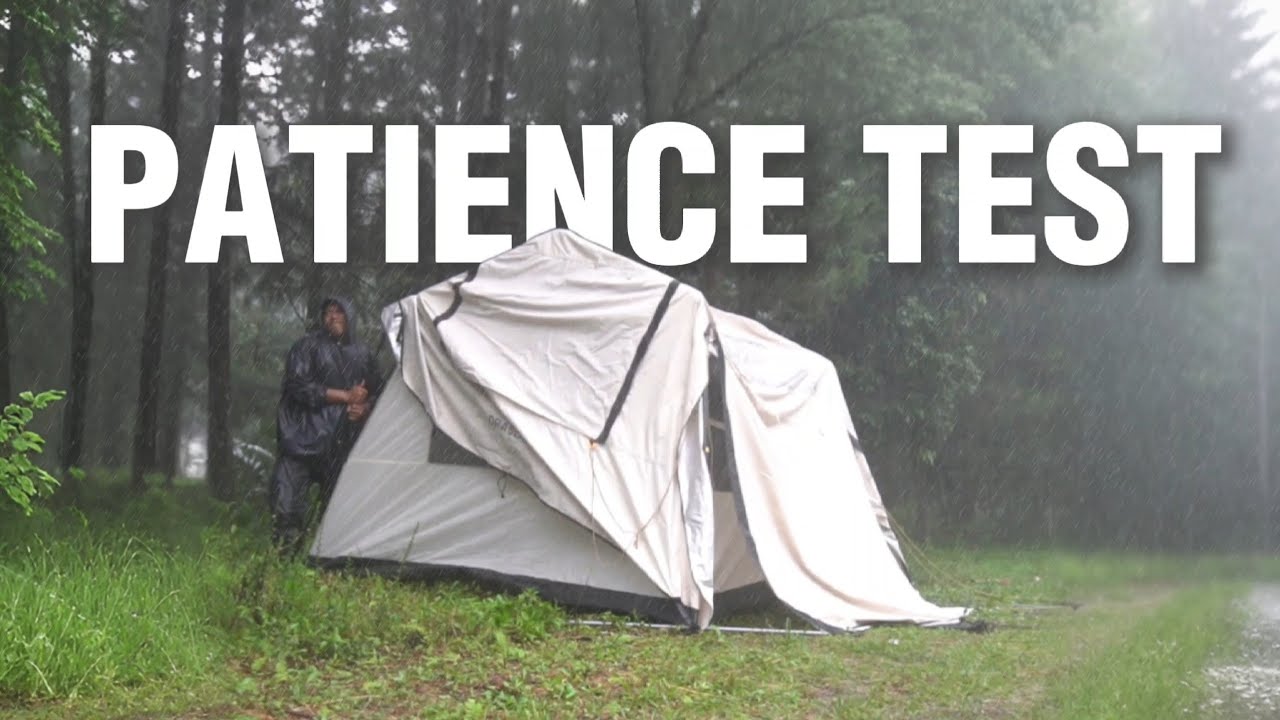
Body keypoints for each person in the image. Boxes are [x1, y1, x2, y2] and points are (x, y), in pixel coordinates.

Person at [269, 296, 383, 555]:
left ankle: (330, 565)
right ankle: (283, 565)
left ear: (349, 316)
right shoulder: (306, 347)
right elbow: (298, 386)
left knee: (338, 515)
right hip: (301, 442)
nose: (332, 317)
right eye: (328, 312)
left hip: (341, 447)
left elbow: (380, 393)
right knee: (286, 510)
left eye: (339, 311)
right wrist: (345, 396)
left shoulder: (363, 355)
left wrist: (364, 409)